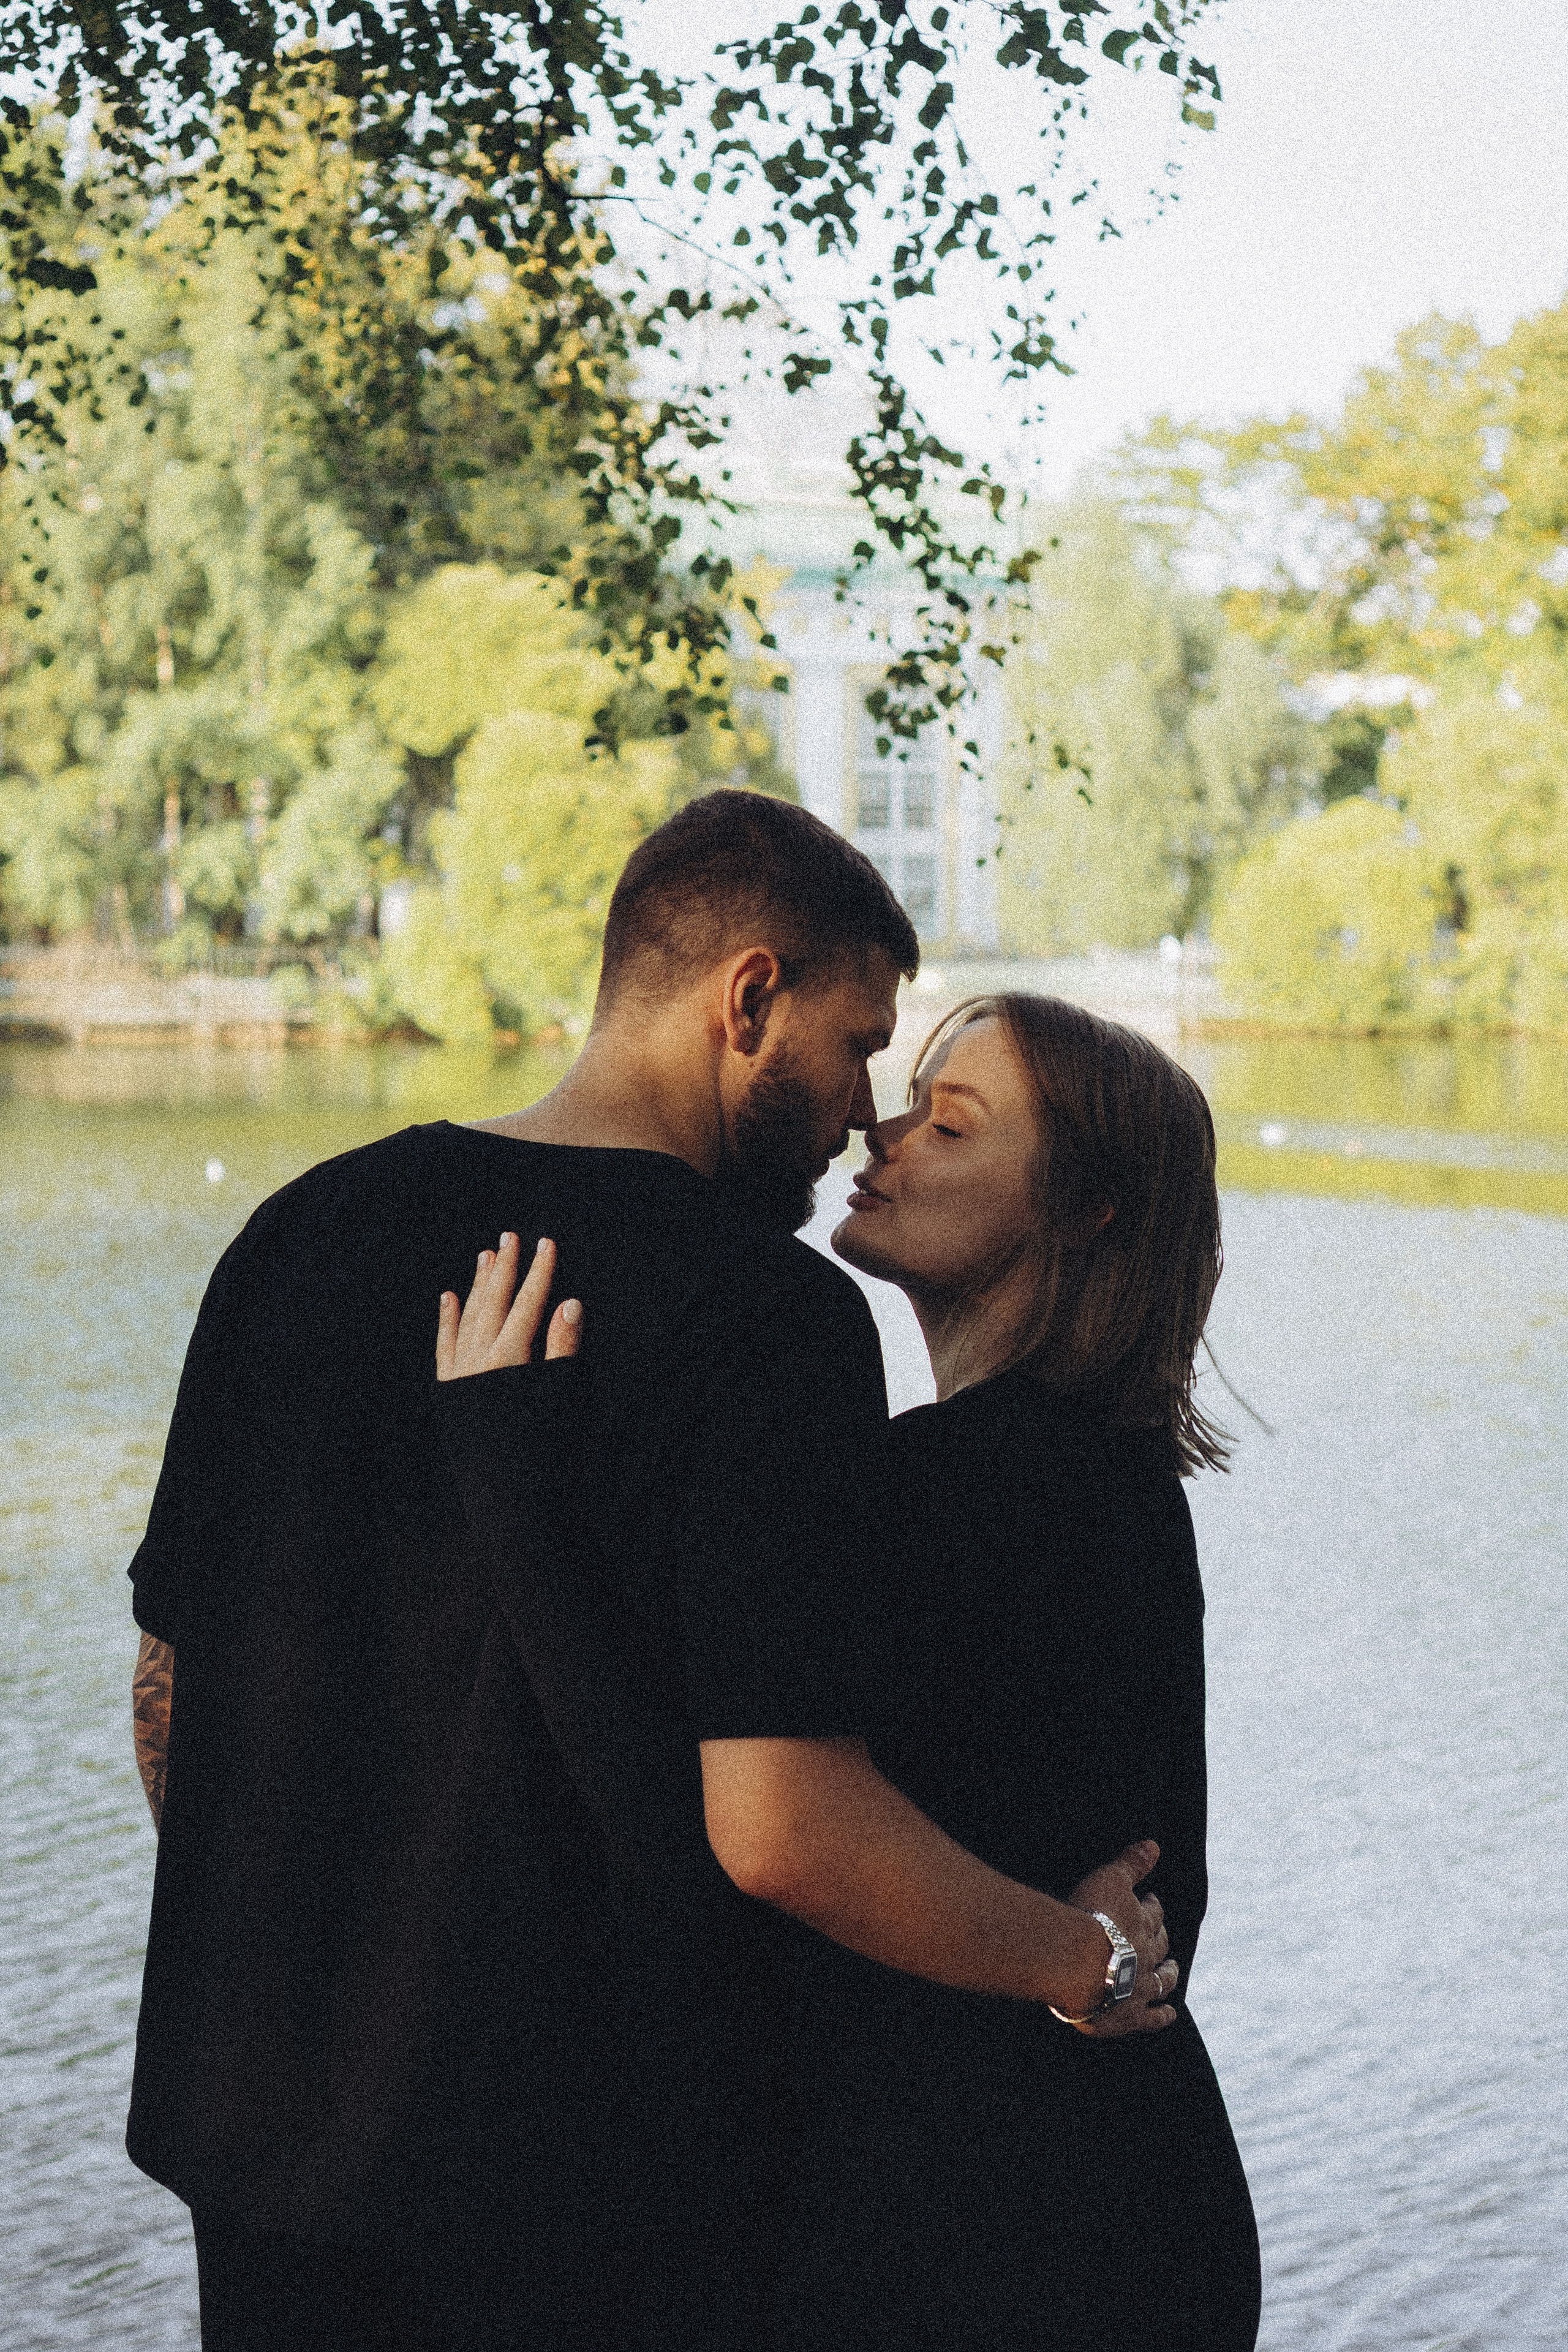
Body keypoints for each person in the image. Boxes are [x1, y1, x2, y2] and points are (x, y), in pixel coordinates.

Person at [127, 791, 1180, 2352]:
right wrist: (1076, 1958)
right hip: (579, 2182)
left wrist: (312, 1932)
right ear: (746, 999)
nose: (854, 1112)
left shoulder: (293, 1235)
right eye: (852, 1046)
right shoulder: (766, 1321)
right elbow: (779, 1820)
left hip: (259, 2141)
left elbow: (169, 1698)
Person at [439, 989, 1261, 2350]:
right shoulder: (1102, 1475)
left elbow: (692, 1802)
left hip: (1000, 2241)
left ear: (1084, 1210)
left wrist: (508, 1479)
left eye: (950, 1123)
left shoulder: (955, 1488)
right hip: (1096, 2191)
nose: (881, 1130)